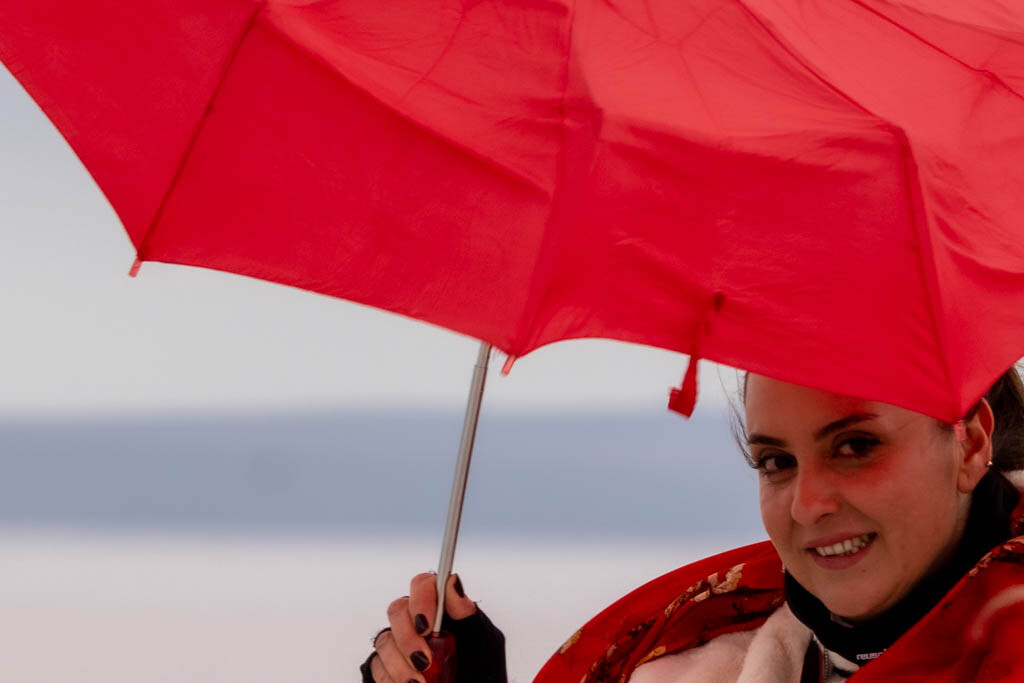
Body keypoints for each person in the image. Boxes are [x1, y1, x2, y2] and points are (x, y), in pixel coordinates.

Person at [362, 366, 1024, 682]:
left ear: (969, 445)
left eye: (855, 446)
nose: (807, 504)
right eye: (776, 461)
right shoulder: (692, 657)